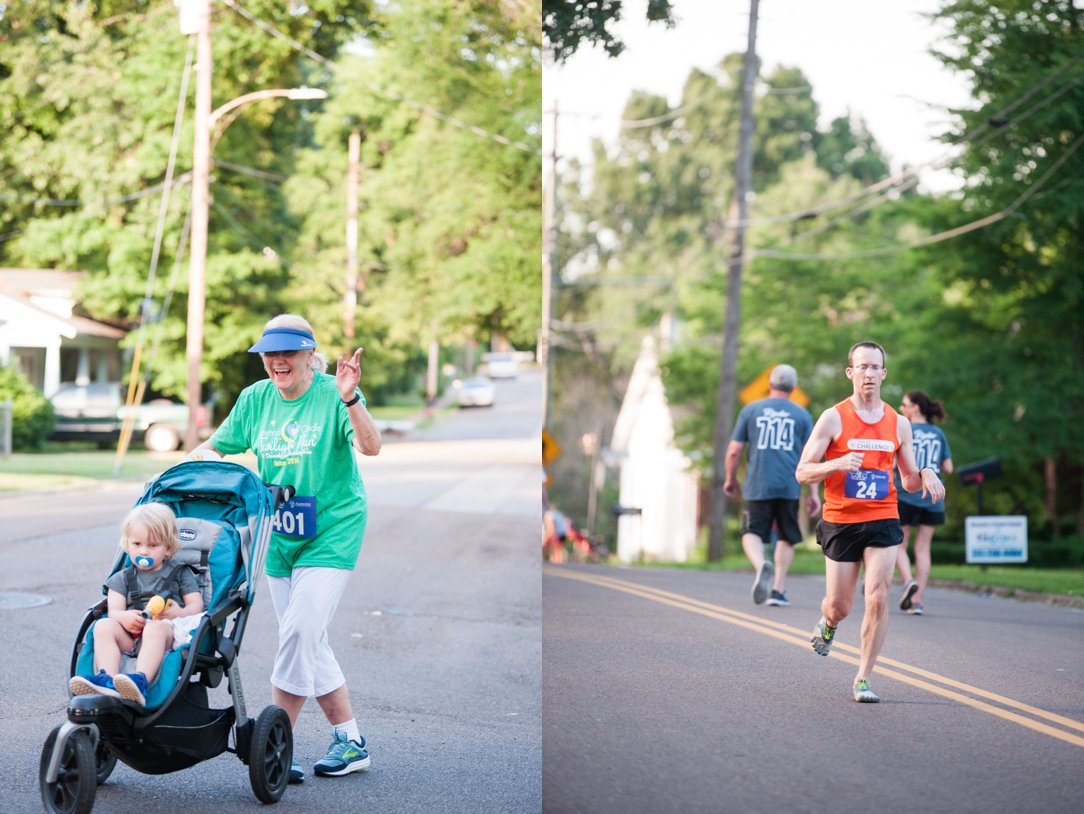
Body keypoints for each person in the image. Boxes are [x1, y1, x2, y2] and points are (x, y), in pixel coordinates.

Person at [191, 313, 382, 783]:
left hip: (332, 528)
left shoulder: (332, 395)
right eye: (270, 354)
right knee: (307, 638)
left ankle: (278, 740)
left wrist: (351, 398)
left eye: (288, 353)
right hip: (276, 535)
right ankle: (351, 741)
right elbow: (216, 448)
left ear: (308, 356)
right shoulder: (255, 400)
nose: (278, 361)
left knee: (299, 631)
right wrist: (177, 473)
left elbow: (372, 446)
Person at [796, 341, 944, 703]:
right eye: (861, 367)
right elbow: (803, 471)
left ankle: (863, 677)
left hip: (883, 516)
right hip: (841, 519)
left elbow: (907, 480)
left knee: (877, 596)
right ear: (850, 373)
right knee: (840, 605)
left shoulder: (899, 423)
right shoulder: (833, 417)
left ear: (883, 374)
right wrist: (837, 463)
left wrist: (924, 472)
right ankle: (829, 623)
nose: (868, 373)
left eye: (874, 367)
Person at [69, 502, 205, 707]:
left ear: (168, 548)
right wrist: (124, 617)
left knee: (155, 627)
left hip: (165, 633)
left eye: (152, 545)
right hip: (131, 636)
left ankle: (140, 680)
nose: (144, 551)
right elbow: (114, 611)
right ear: (127, 544)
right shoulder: (121, 579)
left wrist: (179, 612)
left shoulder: (180, 573)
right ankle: (108, 678)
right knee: (103, 625)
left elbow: (197, 606)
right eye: (137, 544)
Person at [724, 364, 820, 606]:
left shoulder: (751, 410)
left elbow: (734, 450)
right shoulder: (802, 415)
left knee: (752, 532)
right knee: (787, 536)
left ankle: (760, 565)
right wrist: (813, 493)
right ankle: (777, 590)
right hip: (790, 484)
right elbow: (812, 457)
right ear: (793, 387)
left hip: (758, 484)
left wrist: (730, 478)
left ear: (770, 384)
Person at [894, 390, 953, 616]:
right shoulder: (938, 433)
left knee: (900, 544)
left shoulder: (905, 430)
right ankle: (917, 601)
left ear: (915, 407)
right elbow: (948, 468)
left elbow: (892, 463)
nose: (901, 408)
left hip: (907, 494)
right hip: (934, 497)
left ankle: (909, 581)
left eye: (904, 404)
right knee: (923, 548)